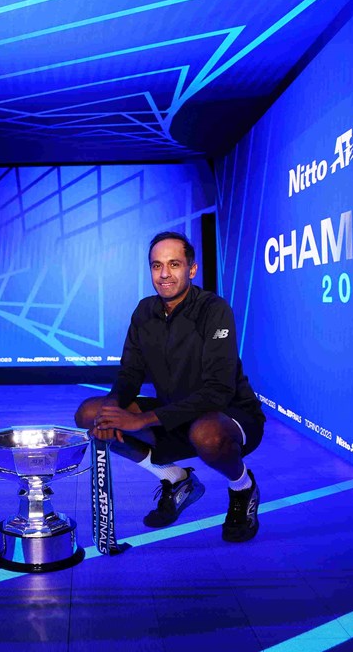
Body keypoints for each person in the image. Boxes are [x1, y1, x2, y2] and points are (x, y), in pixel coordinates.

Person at [75, 232, 265, 542]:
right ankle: (175, 479)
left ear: (192, 269)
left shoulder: (214, 310)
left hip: (228, 417)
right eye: (156, 265)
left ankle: (243, 487)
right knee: (92, 414)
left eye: (174, 264)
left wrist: (143, 419)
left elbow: (217, 391)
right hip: (174, 415)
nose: (164, 274)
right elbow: (130, 373)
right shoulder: (144, 311)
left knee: (206, 433)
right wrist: (111, 410)